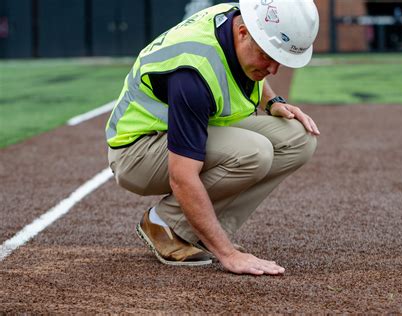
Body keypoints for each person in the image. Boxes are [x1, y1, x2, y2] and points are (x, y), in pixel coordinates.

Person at [105, 0, 319, 276]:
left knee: (299, 140)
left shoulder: (238, 20)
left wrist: (271, 101)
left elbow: (246, 62)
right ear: (243, 33)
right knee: (254, 152)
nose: (274, 69)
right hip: (137, 152)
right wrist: (228, 255)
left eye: (281, 60)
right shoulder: (192, 75)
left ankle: (201, 232)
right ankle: (164, 224)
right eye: (268, 56)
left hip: (179, 130)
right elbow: (182, 176)